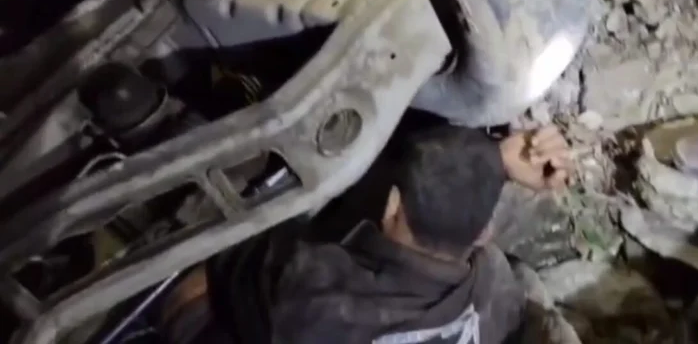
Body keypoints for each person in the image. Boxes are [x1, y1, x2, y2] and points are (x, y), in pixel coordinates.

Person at [159, 120, 574, 344]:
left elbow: (231, 271)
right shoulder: (498, 289)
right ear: (483, 233)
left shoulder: (316, 292)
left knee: (188, 298)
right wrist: (492, 160)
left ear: (392, 204)